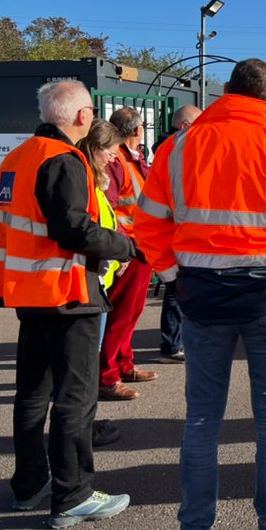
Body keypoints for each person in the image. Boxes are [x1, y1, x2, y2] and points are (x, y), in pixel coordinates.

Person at [133, 58, 266, 530]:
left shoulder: (178, 147)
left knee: (202, 420)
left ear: (227, 90)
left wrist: (172, 277)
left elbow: (149, 224)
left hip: (202, 297)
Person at [0, 80, 136, 529]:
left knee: (32, 395)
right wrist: (125, 246)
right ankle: (73, 494)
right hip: (67, 292)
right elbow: (73, 230)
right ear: (82, 116)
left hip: (29, 291)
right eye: (91, 110)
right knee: (75, 399)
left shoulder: (19, 156)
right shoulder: (64, 159)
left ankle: (29, 485)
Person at [77, 118, 131, 448]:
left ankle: (84, 423)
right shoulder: (85, 182)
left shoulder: (94, 180)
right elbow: (90, 231)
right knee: (85, 363)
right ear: (96, 148)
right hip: (88, 284)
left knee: (86, 360)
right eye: (110, 153)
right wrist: (122, 249)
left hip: (97, 282)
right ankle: (84, 428)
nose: (113, 159)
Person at [99, 106, 158, 399]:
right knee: (121, 314)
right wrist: (121, 251)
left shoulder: (132, 159)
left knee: (132, 312)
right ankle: (107, 376)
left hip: (140, 248)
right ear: (138, 130)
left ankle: (124, 364)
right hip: (129, 250)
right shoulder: (117, 160)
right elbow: (108, 210)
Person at [152, 104, 202, 363]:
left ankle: (174, 342)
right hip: (176, 233)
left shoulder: (168, 150)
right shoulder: (174, 151)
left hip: (176, 231)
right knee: (175, 292)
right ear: (184, 127)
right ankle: (171, 345)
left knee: (178, 291)